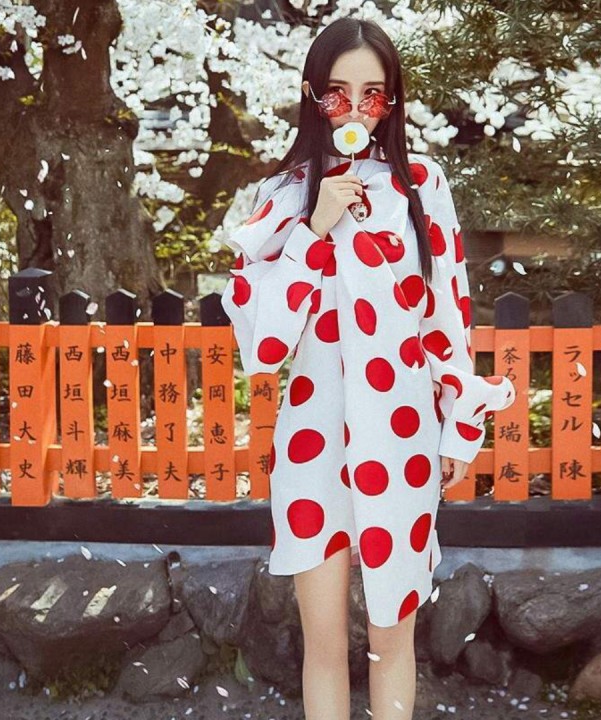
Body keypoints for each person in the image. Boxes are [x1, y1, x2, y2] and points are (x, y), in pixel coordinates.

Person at [220, 17, 516, 720]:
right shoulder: (283, 196)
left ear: (393, 100)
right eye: (337, 93)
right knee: (323, 643)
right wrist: (313, 229)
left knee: (391, 640)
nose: (355, 110)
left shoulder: (422, 185)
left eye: (373, 95)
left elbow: (446, 315)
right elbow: (266, 348)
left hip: (402, 432)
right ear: (312, 95)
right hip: (312, 438)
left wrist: (456, 426)